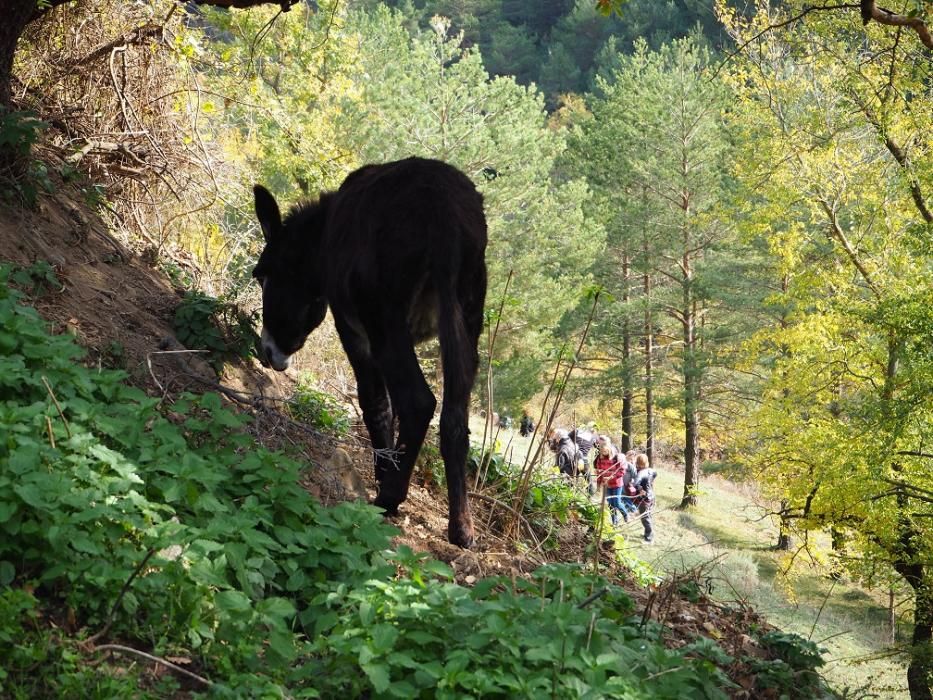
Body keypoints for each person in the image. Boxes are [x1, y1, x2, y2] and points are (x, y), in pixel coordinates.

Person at [593, 436, 627, 526]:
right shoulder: (599, 459)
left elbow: (622, 471)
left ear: (609, 449)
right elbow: (599, 473)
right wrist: (598, 485)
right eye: (602, 452)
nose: (604, 453)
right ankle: (614, 522)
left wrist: (611, 477)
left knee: (616, 502)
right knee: (610, 504)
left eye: (605, 451)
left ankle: (625, 514)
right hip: (607, 485)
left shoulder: (616, 458)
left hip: (617, 484)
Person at [633, 453, 658, 542]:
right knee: (648, 516)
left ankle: (649, 538)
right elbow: (655, 474)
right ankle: (647, 533)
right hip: (651, 496)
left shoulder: (641, 473)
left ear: (638, 463)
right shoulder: (651, 470)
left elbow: (635, 483)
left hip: (645, 498)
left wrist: (640, 489)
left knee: (645, 517)